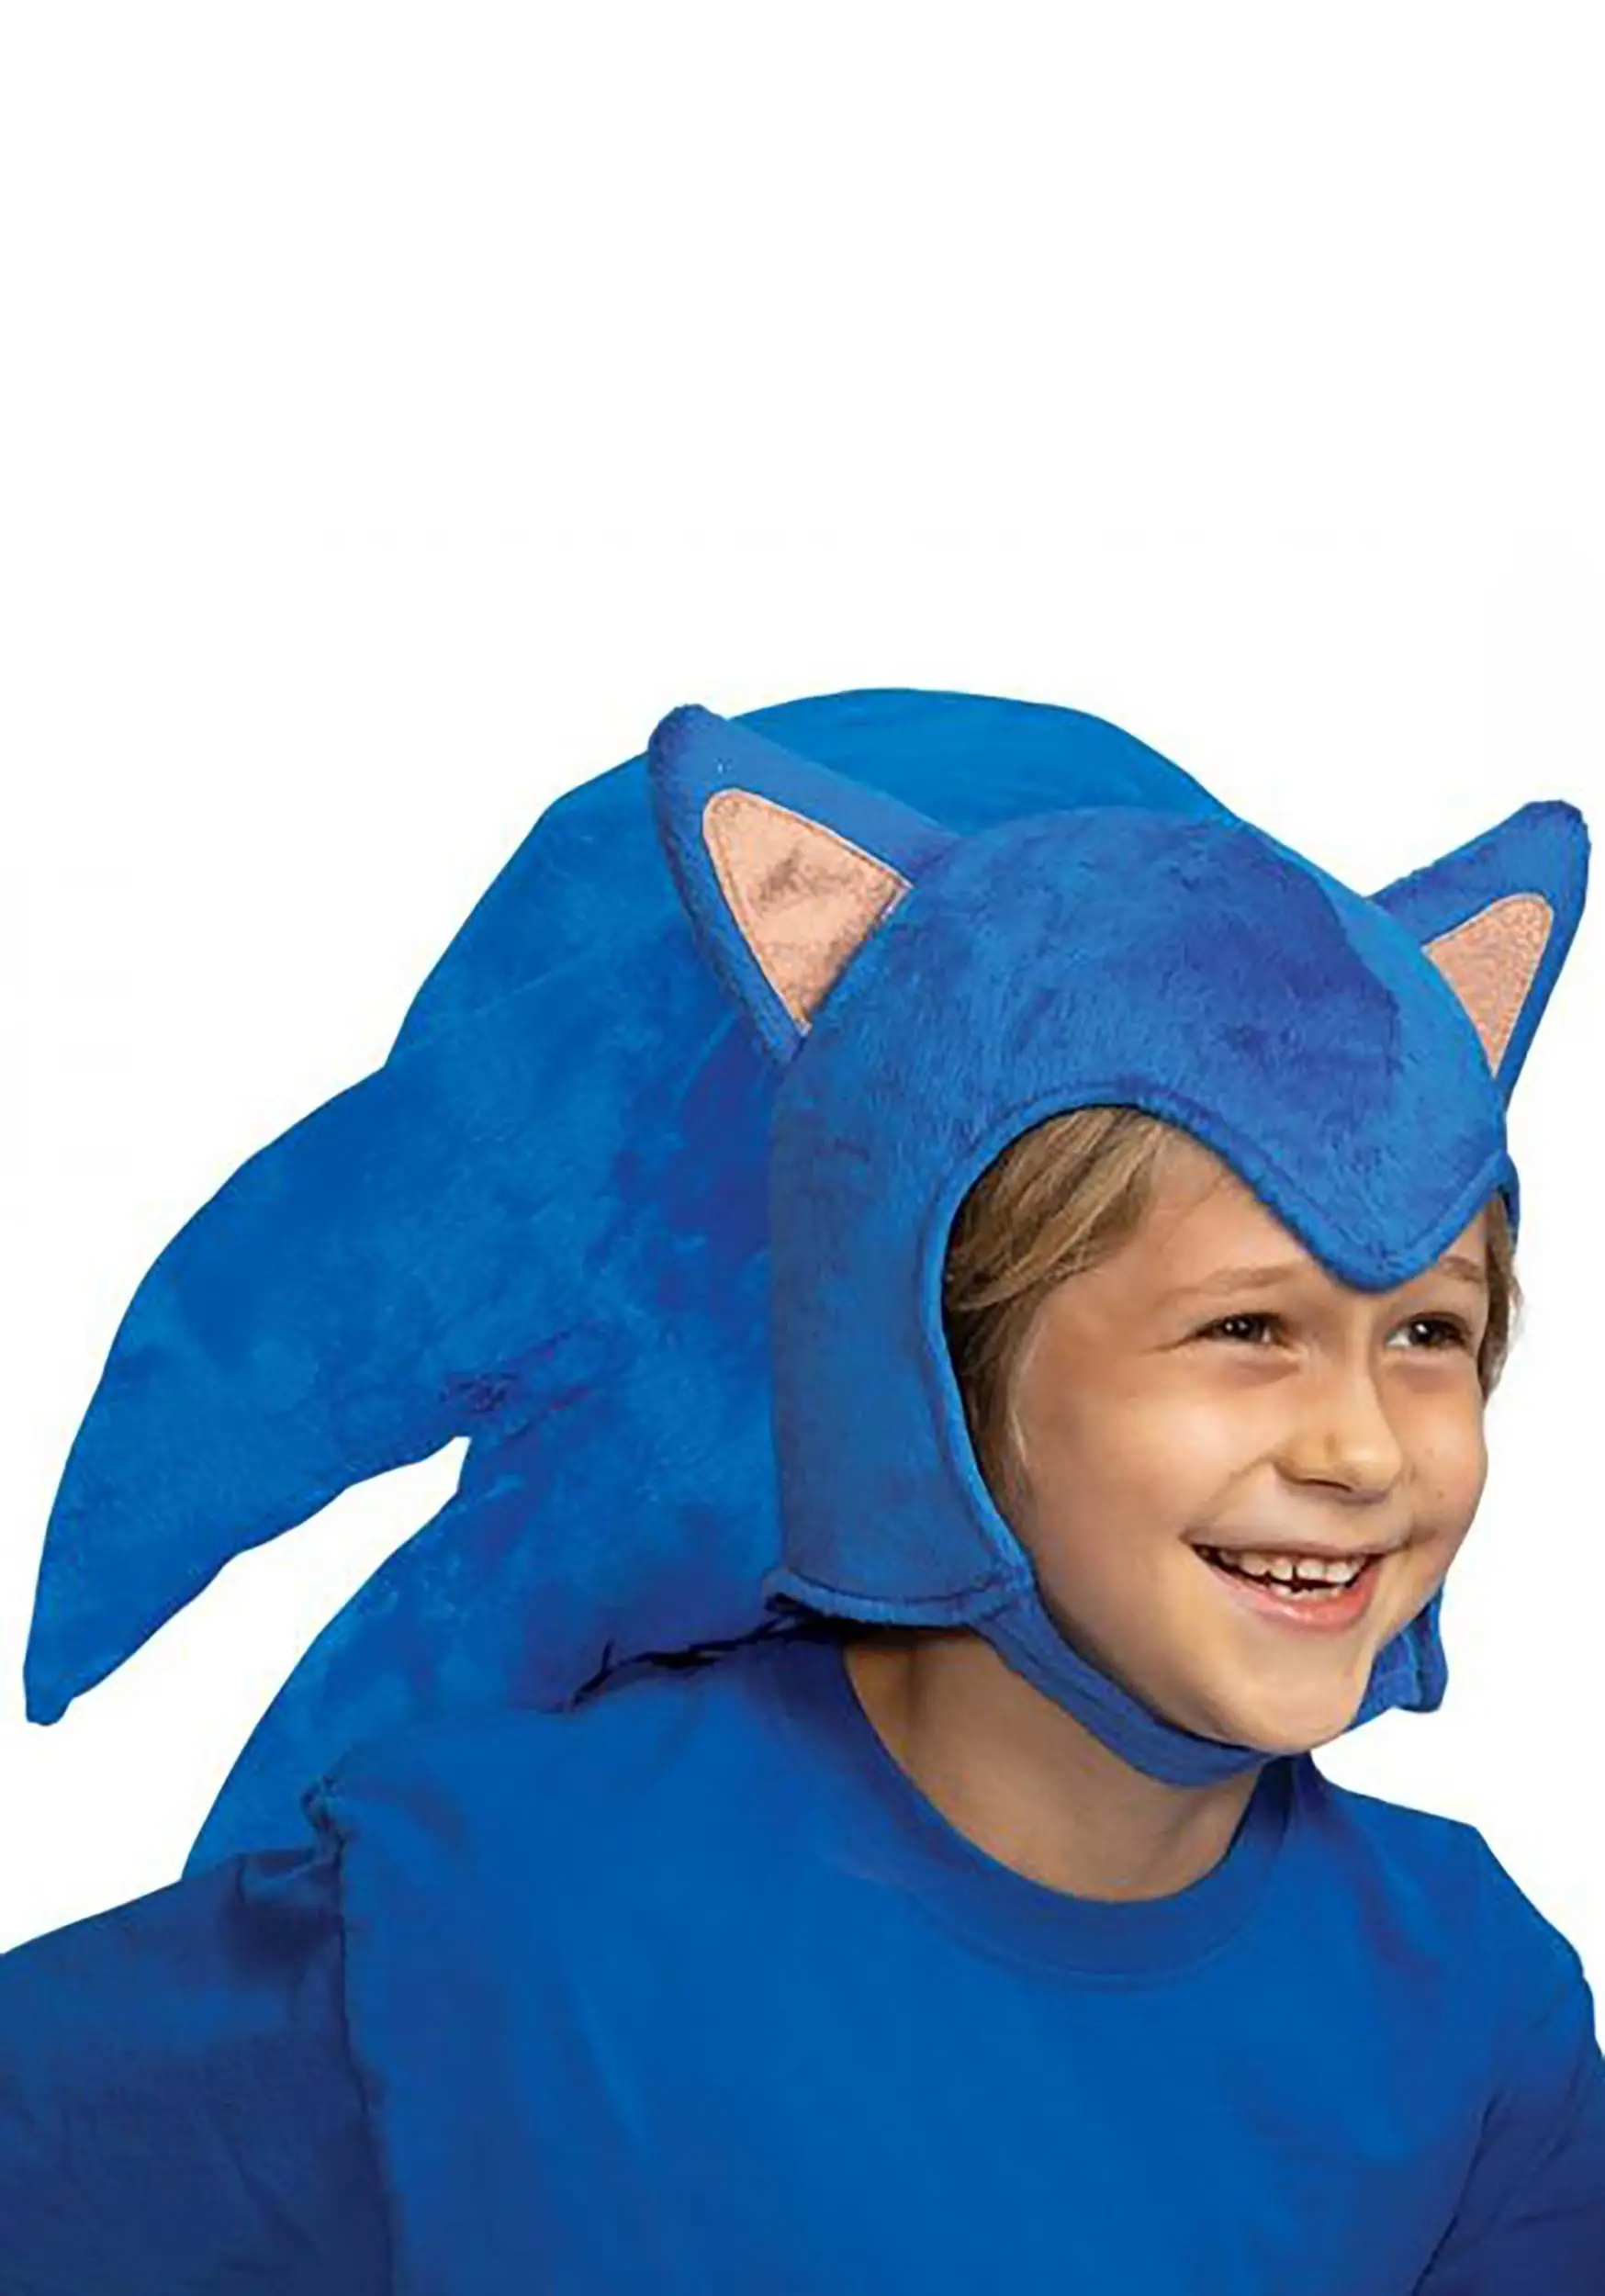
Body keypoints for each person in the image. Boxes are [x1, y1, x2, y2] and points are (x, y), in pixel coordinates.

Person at [2, 694, 1600, 2290]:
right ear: (935, 1359)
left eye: (1430, 1335)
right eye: (1245, 1330)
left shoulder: (1470, 2011)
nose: (1362, 1452)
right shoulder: (500, 1924)